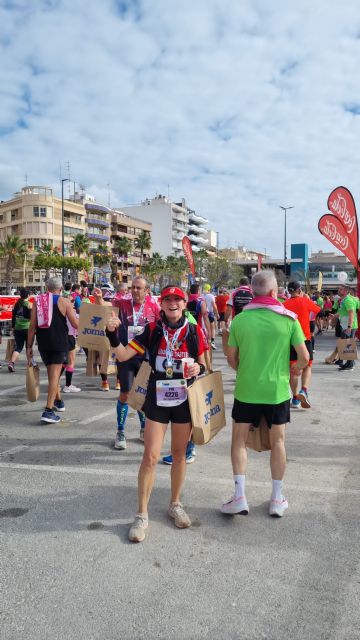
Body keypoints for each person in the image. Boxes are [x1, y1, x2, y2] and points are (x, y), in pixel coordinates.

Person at [106, 285, 207, 542]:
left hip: (185, 399)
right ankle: (141, 514)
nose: (172, 303)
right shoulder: (152, 330)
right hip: (158, 397)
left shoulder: (194, 331)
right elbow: (122, 354)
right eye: (167, 299)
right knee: (150, 456)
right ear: (161, 304)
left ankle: (175, 503)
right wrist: (111, 334)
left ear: (184, 304)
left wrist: (198, 368)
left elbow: (205, 363)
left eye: (177, 299)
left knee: (179, 455)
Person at [221, 270, 308, 518]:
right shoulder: (288, 320)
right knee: (278, 442)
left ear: (252, 292)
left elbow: (231, 358)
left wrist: (244, 369)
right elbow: (304, 357)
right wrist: (293, 369)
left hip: (247, 389)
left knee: (239, 441)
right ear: (273, 292)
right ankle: (277, 498)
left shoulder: (240, 321)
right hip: (277, 391)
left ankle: (239, 496)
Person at [111, 276, 160, 450]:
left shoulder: (154, 307)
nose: (134, 291)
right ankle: (120, 431)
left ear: (147, 291)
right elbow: (103, 309)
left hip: (145, 358)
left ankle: (143, 429)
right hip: (126, 356)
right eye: (132, 287)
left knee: (143, 394)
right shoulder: (122, 303)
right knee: (125, 393)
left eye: (138, 288)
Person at [26, 277, 78, 424]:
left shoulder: (38, 301)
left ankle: (59, 401)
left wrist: (29, 347)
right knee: (54, 378)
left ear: (47, 288)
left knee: (52, 375)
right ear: (60, 288)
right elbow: (75, 324)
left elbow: (32, 326)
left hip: (43, 343)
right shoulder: (64, 301)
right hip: (59, 343)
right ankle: (48, 410)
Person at [283, 282, 321, 408]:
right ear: (299, 290)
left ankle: (294, 399)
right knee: (307, 366)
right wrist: (308, 299)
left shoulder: (284, 304)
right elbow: (319, 311)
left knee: (293, 369)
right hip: (305, 338)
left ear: (289, 291)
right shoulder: (305, 301)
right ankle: (303, 390)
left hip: (290, 340)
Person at [333, 283, 358, 371]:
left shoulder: (348, 300)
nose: (338, 291)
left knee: (349, 345)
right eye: (339, 289)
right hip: (345, 326)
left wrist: (349, 327)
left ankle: (350, 365)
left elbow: (351, 313)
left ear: (346, 291)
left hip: (349, 326)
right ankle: (348, 363)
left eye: (341, 289)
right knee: (345, 344)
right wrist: (334, 316)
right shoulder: (343, 300)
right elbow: (341, 312)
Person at [8, 288, 32, 372]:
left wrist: (13, 328)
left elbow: (13, 317)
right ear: (28, 295)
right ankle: (29, 365)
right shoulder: (29, 304)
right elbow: (31, 318)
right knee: (28, 347)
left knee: (18, 347)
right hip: (28, 329)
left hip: (18, 328)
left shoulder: (17, 304)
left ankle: (11, 363)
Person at [203, 284, 219, 349]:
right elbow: (214, 305)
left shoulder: (201, 295)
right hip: (210, 313)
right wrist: (217, 314)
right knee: (212, 328)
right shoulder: (211, 296)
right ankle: (212, 341)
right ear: (209, 289)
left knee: (204, 328)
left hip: (203, 313)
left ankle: (205, 341)